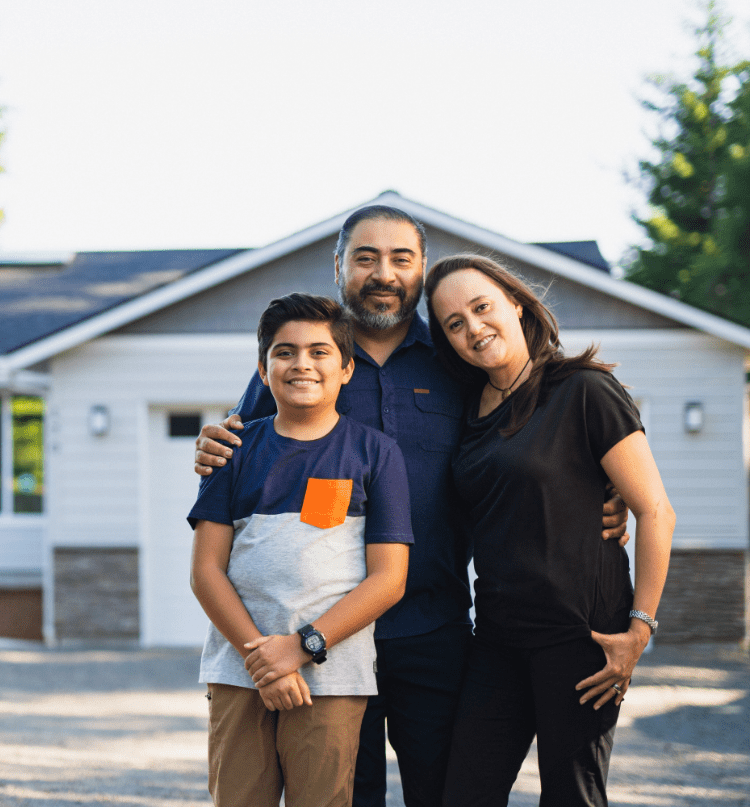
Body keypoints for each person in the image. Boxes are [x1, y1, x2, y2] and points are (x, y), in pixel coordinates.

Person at [193, 205, 631, 807]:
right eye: (365, 257)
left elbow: (534, 448)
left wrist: (606, 495)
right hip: (330, 636)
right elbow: (250, 451)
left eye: (401, 258)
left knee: (447, 790)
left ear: (421, 269)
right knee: (348, 793)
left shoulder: (457, 359)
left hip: (434, 626)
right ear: (340, 266)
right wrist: (214, 440)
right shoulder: (311, 357)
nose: (384, 273)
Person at [425, 254, 674, 806]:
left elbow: (655, 510)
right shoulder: (466, 412)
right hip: (497, 637)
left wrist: (639, 630)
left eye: (481, 307)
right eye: (454, 323)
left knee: (571, 796)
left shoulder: (583, 390)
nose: (473, 328)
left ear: (516, 303)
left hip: (582, 638)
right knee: (465, 794)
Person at [188, 293, 412, 807]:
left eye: (319, 351)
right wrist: (262, 661)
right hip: (239, 671)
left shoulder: (375, 454)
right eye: (284, 352)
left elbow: (389, 579)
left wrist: (300, 647)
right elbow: (206, 572)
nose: (301, 364)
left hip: (330, 675)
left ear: (347, 369)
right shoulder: (233, 451)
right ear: (263, 373)